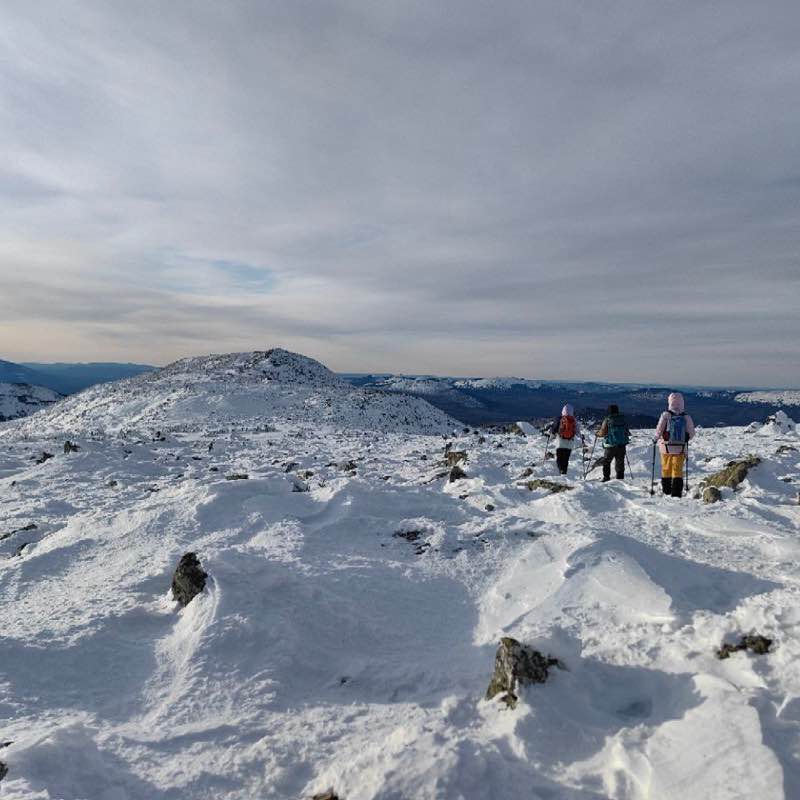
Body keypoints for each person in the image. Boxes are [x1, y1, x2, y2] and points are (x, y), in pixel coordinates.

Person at [654, 392, 695, 497]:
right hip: (680, 448)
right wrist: (685, 439)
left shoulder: (665, 415)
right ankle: (676, 493)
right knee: (677, 470)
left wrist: (655, 439)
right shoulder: (686, 417)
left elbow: (659, 430)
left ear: (669, 402)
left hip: (666, 447)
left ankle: (666, 490)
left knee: (666, 468)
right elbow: (691, 433)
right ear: (682, 403)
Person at [596, 404, 630, 481]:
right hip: (621, 444)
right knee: (620, 461)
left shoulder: (607, 419)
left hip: (610, 445)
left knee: (607, 461)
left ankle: (606, 477)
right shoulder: (622, 419)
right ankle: (620, 478)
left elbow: (603, 433)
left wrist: (597, 434)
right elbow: (627, 431)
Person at [550, 404, 581, 475]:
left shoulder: (559, 418)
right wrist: (581, 438)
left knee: (559, 459)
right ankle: (564, 472)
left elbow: (554, 430)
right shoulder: (574, 420)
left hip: (560, 443)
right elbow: (578, 432)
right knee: (565, 459)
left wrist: (551, 436)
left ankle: (560, 471)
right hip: (569, 443)